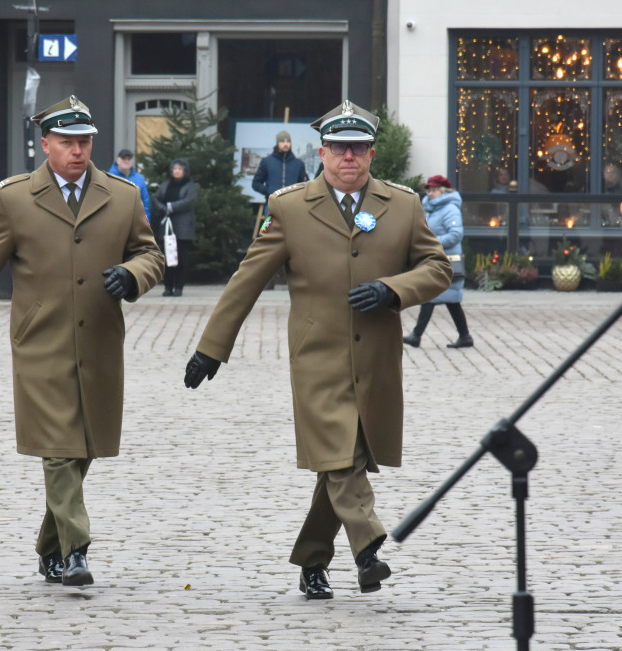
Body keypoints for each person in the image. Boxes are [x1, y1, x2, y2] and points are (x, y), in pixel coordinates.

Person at [183, 100, 451, 599]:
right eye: (339, 149)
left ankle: (311, 562)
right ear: (322, 153)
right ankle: (368, 548)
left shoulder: (404, 205)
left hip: (375, 360)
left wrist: (394, 289)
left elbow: (438, 268)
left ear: (371, 154)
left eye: (358, 149)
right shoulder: (288, 208)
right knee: (342, 454)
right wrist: (212, 348)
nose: (348, 158)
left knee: (340, 458)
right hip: (317, 358)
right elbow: (247, 280)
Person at [0, 95, 164, 588]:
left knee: (84, 450)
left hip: (100, 341)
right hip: (40, 343)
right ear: (46, 145)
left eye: (85, 142)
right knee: (59, 447)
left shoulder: (121, 196)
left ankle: (48, 546)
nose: (78, 151)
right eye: (67, 142)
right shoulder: (13, 198)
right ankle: (76, 549)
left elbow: (150, 254)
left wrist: (132, 274)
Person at [403, 175, 474, 349]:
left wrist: (433, 242)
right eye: (429, 190)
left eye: (435, 190)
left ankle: (416, 335)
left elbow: (456, 234)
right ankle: (465, 336)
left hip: (447, 261)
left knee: (432, 296)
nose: (431, 193)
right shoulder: (431, 208)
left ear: (444, 191)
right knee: (450, 300)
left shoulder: (449, 208)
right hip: (435, 259)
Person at [153, 158, 198, 297]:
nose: (176, 171)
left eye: (179, 169)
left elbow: (189, 201)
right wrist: (163, 208)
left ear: (185, 171)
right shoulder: (165, 185)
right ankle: (168, 287)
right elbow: (156, 198)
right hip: (167, 227)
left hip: (183, 229)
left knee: (182, 260)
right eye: (174, 169)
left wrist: (171, 207)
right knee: (167, 259)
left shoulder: (190, 186)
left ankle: (179, 287)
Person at [252, 130, 309, 215]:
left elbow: (306, 185)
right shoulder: (267, 162)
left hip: (293, 207)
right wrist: (268, 192)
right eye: (282, 141)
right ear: (277, 143)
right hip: (272, 206)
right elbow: (256, 183)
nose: (285, 144)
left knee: (292, 229)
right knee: (271, 229)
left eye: (288, 141)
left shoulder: (299, 164)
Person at [109, 148, 152, 224]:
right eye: (123, 158)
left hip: (136, 223)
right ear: (118, 161)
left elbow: (145, 203)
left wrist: (146, 223)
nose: (126, 161)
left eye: (129, 159)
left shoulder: (139, 179)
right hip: (116, 222)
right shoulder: (109, 177)